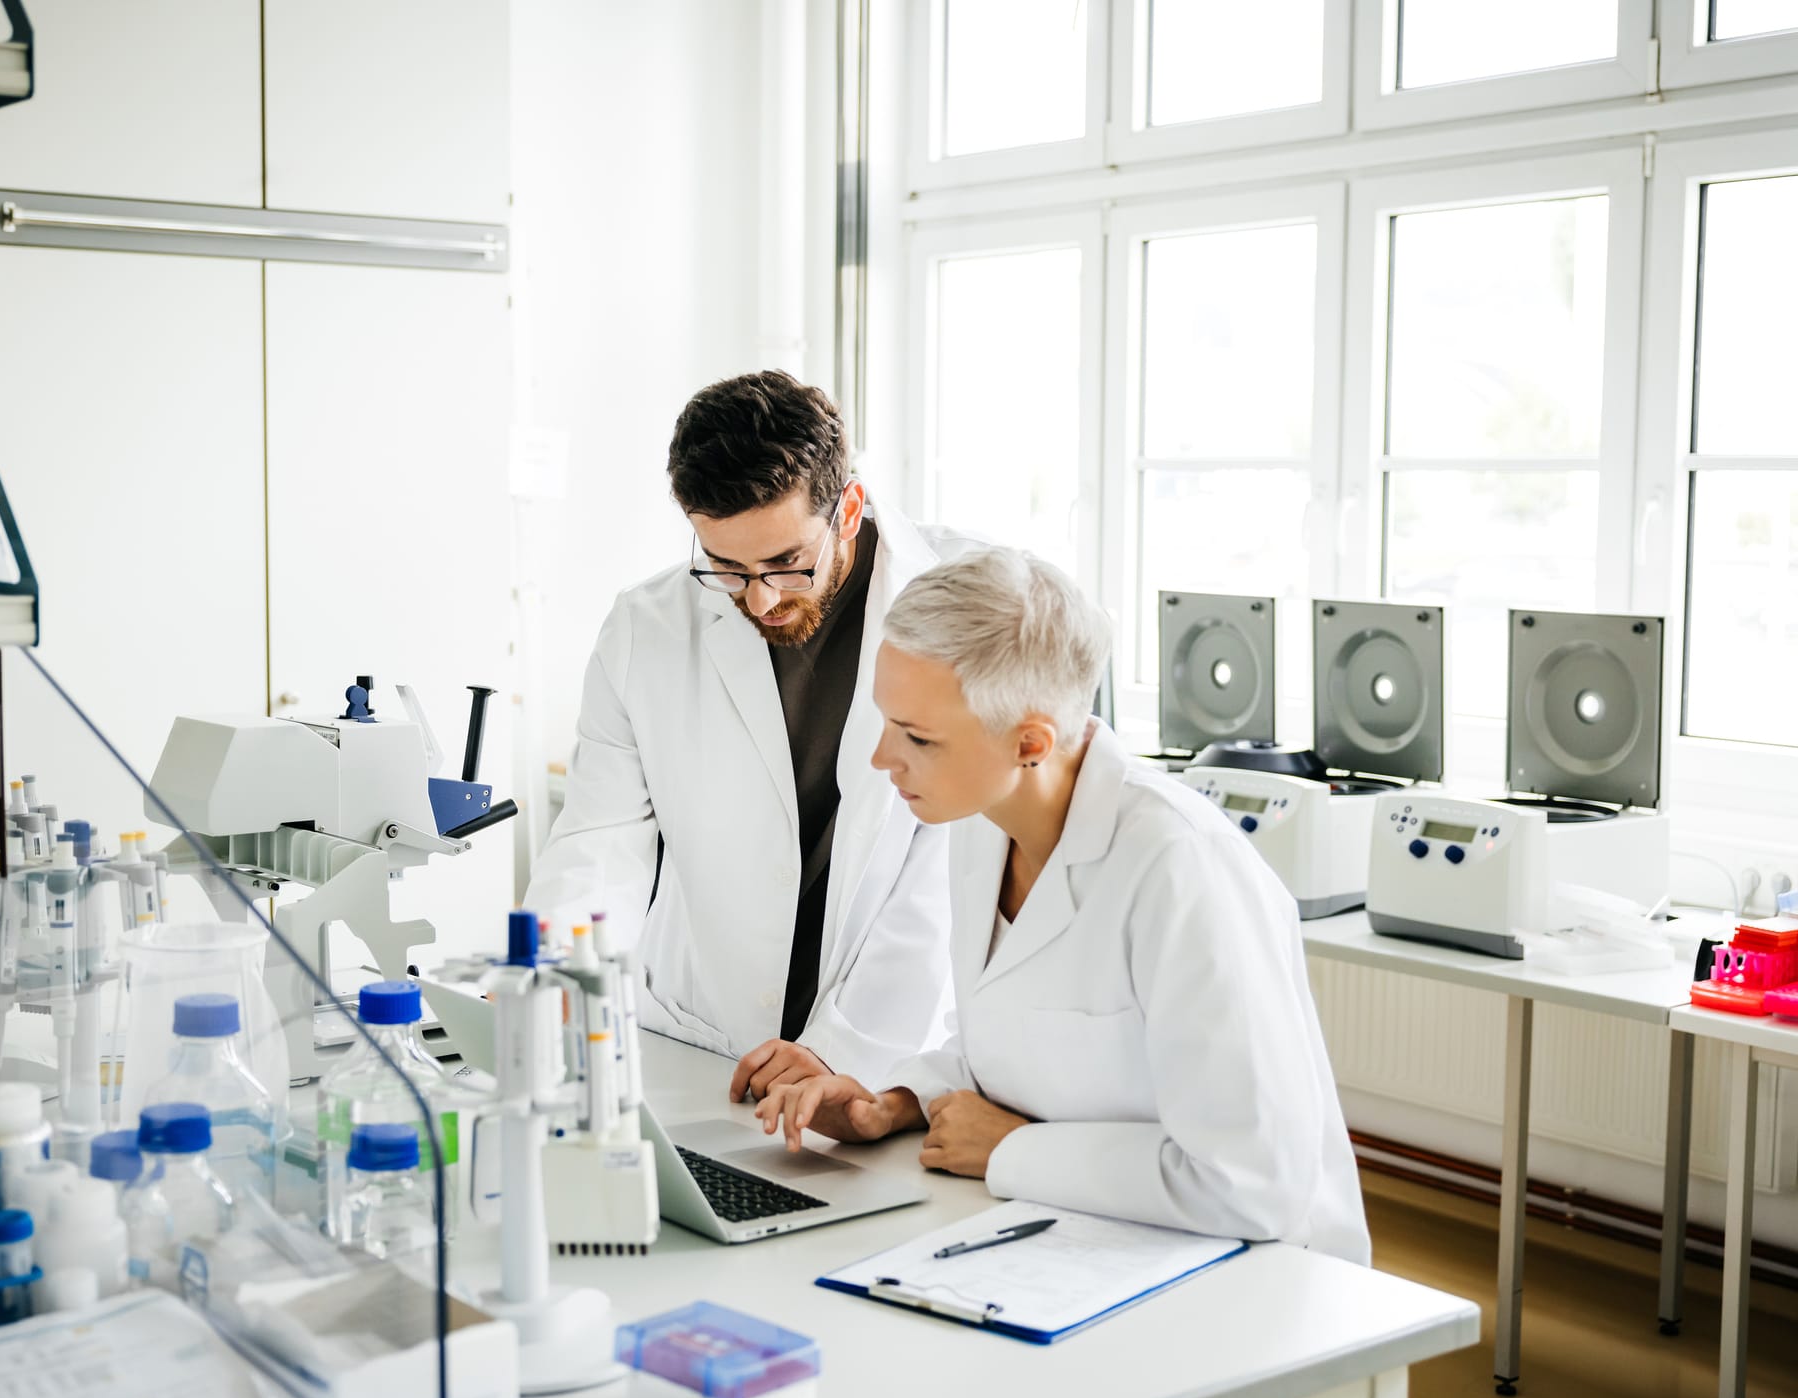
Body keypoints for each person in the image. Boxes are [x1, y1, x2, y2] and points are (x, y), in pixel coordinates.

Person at [754, 549, 1370, 1264]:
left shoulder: (1182, 868)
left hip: (1259, 1270)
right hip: (1079, 1237)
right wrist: (892, 1104)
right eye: (887, 721)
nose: (882, 758)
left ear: (1030, 743)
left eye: (918, 737)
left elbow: (1254, 1185)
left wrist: (1011, 1151)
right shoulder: (984, 822)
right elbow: (1016, 1045)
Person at [523, 371, 982, 1100]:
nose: (761, 598)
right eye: (728, 568)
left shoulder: (966, 600)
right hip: (707, 1037)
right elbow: (599, 840)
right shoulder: (644, 629)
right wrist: (551, 983)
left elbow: (949, 863)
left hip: (885, 1044)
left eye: (786, 564)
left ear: (848, 509)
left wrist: (844, 1048)